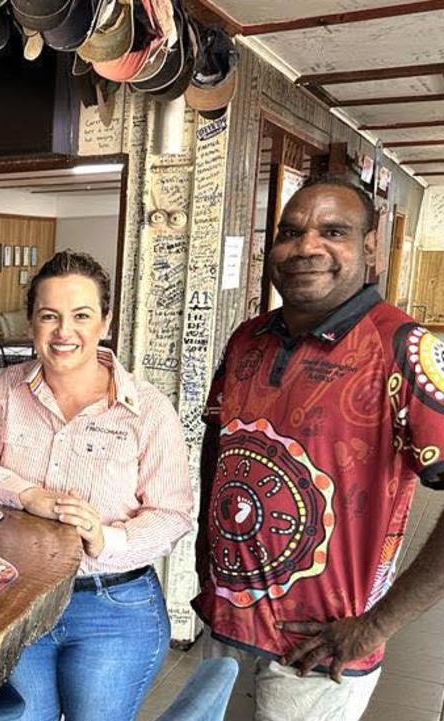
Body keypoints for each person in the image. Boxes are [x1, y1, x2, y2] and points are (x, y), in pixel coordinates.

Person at [195, 176, 444, 721]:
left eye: (333, 231)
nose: (306, 247)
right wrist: (201, 553)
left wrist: (376, 626)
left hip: (321, 647)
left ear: (370, 247)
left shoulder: (403, 346)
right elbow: (219, 446)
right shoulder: (248, 338)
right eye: (291, 232)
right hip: (228, 621)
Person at [0, 251, 193, 721]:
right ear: (31, 323)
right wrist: (26, 494)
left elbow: (172, 515)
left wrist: (106, 538)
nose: (64, 332)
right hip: (17, 600)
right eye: (49, 316)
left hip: (112, 608)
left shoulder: (148, 409)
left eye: (81, 315)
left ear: (105, 321)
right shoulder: (6, 388)